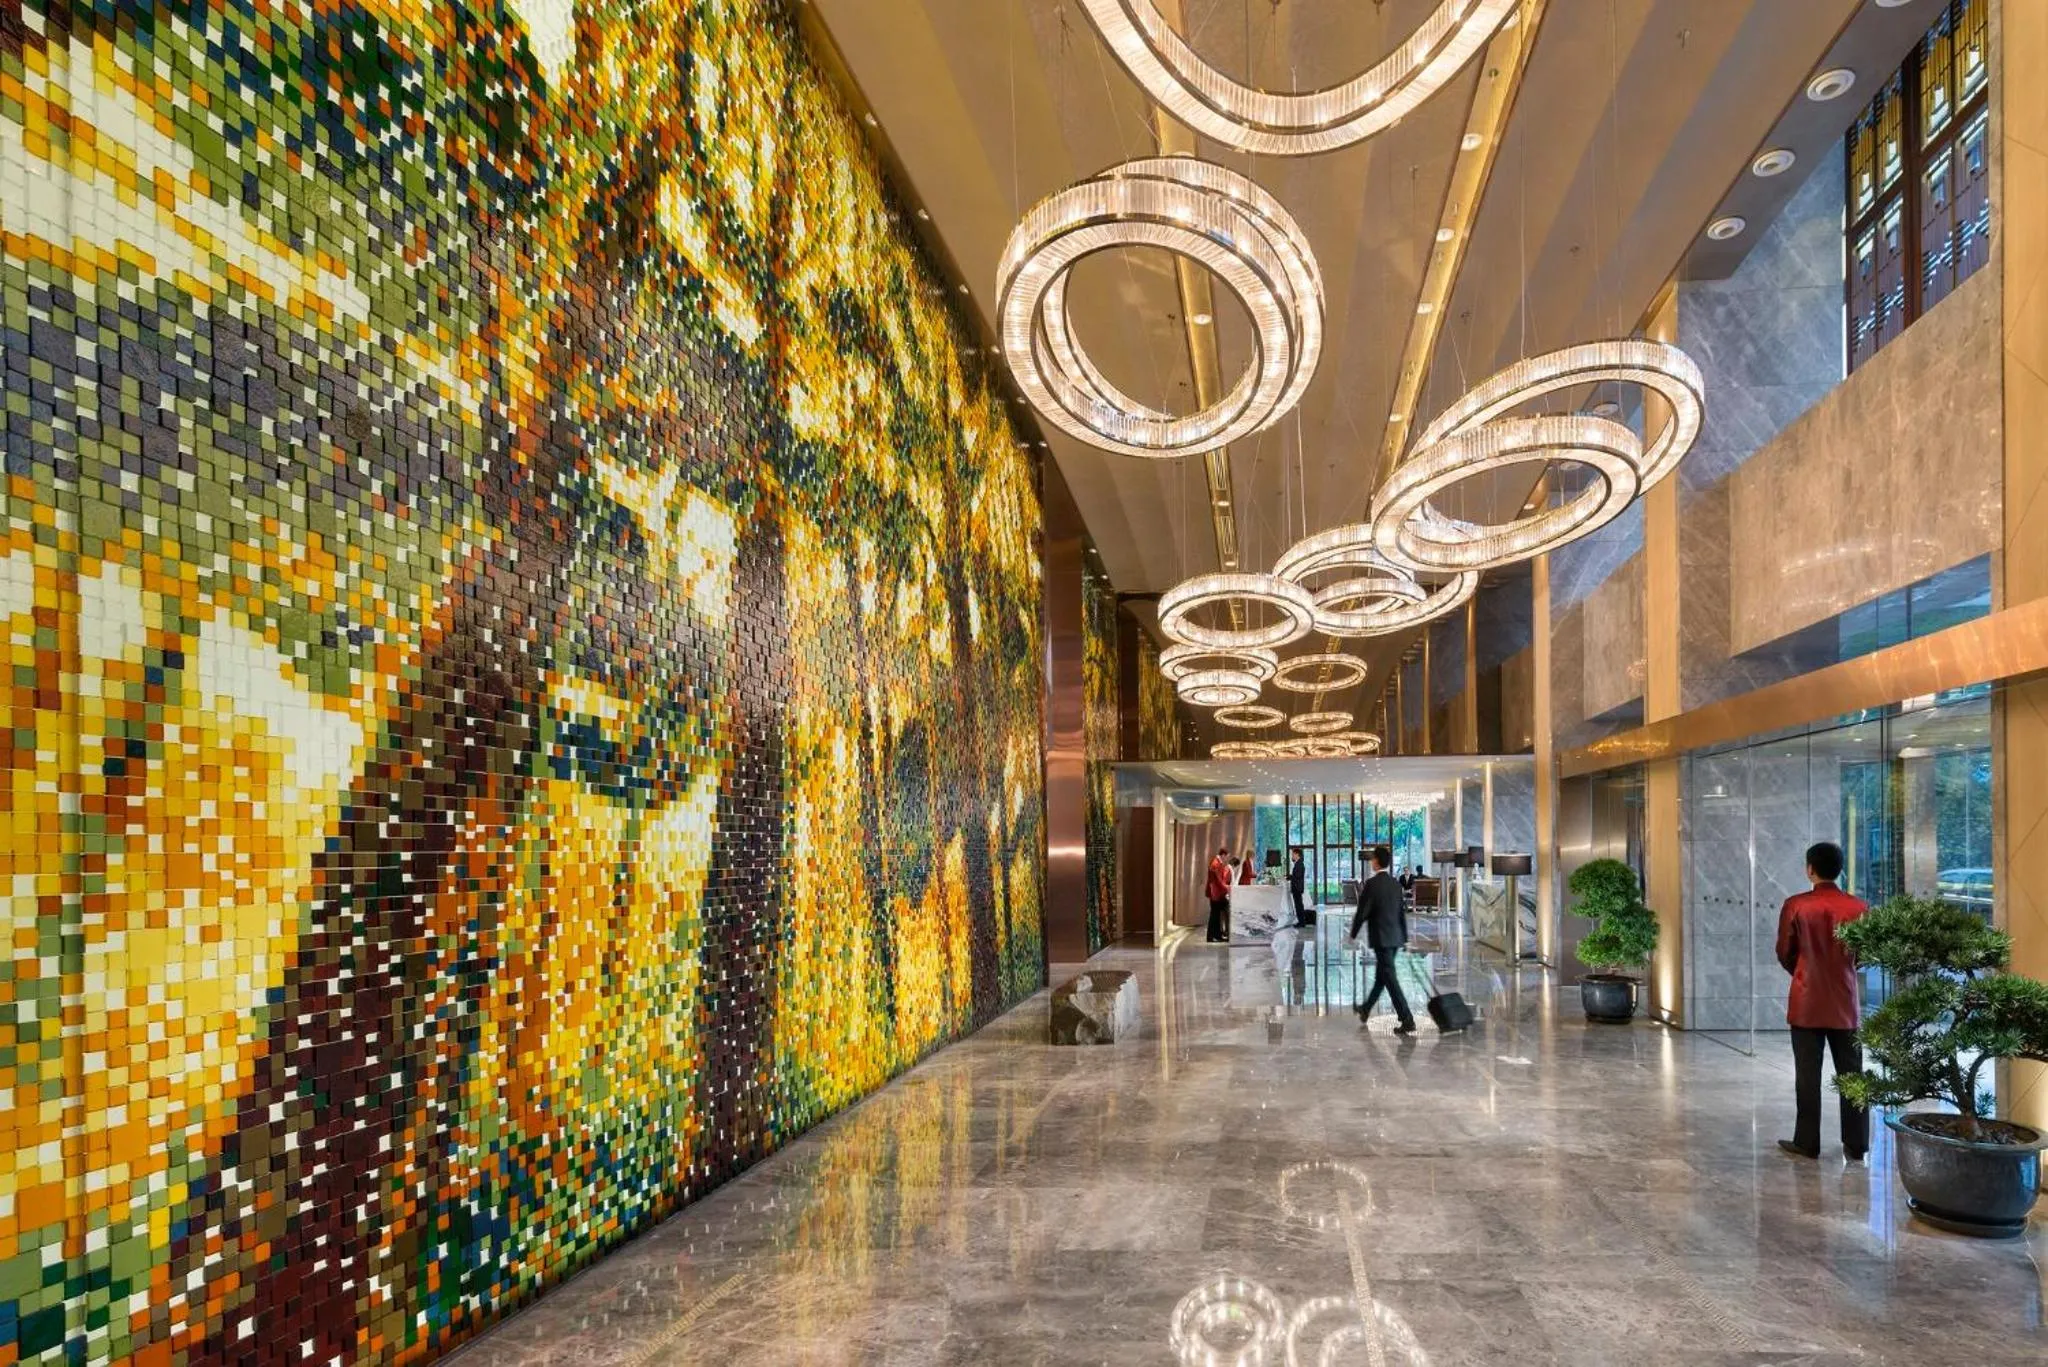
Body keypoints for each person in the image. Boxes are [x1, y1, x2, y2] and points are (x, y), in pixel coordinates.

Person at [1775, 841, 1870, 1162]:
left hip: (1806, 1002)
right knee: (1853, 1075)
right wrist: (1842, 971)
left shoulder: (1796, 905)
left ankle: (1807, 1142)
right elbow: (1865, 955)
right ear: (1840, 869)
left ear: (1810, 869)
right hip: (1845, 1003)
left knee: (1807, 1076)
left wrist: (1804, 972)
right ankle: (1857, 1144)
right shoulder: (1859, 907)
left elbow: (1784, 952)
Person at [1351, 845, 1416, 1034]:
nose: (1371, 861)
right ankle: (1365, 1009)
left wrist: (1353, 933)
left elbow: (1362, 912)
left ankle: (1407, 1018)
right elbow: (1401, 913)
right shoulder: (1396, 884)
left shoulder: (1372, 884)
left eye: (1372, 859)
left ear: (1377, 861)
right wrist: (1404, 938)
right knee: (1382, 976)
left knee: (1390, 979)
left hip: (1381, 938)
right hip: (1395, 938)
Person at [1206, 846, 1235, 943]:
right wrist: (1227, 888)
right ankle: (1212, 936)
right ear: (1223, 855)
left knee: (1216, 915)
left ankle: (1217, 935)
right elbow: (1218, 881)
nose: (1227, 859)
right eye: (1227, 856)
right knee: (1215, 915)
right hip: (1216, 894)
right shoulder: (1216, 864)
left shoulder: (1217, 862)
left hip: (1217, 893)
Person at [1289, 849, 1311, 927]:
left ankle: (1301, 922)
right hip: (1297, 888)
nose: (1292, 856)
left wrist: (1290, 877)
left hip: (1297, 888)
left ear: (1297, 854)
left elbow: (1297, 876)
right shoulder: (1298, 863)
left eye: (1293, 854)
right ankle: (1301, 922)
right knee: (1298, 905)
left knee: (1299, 906)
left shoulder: (1299, 864)